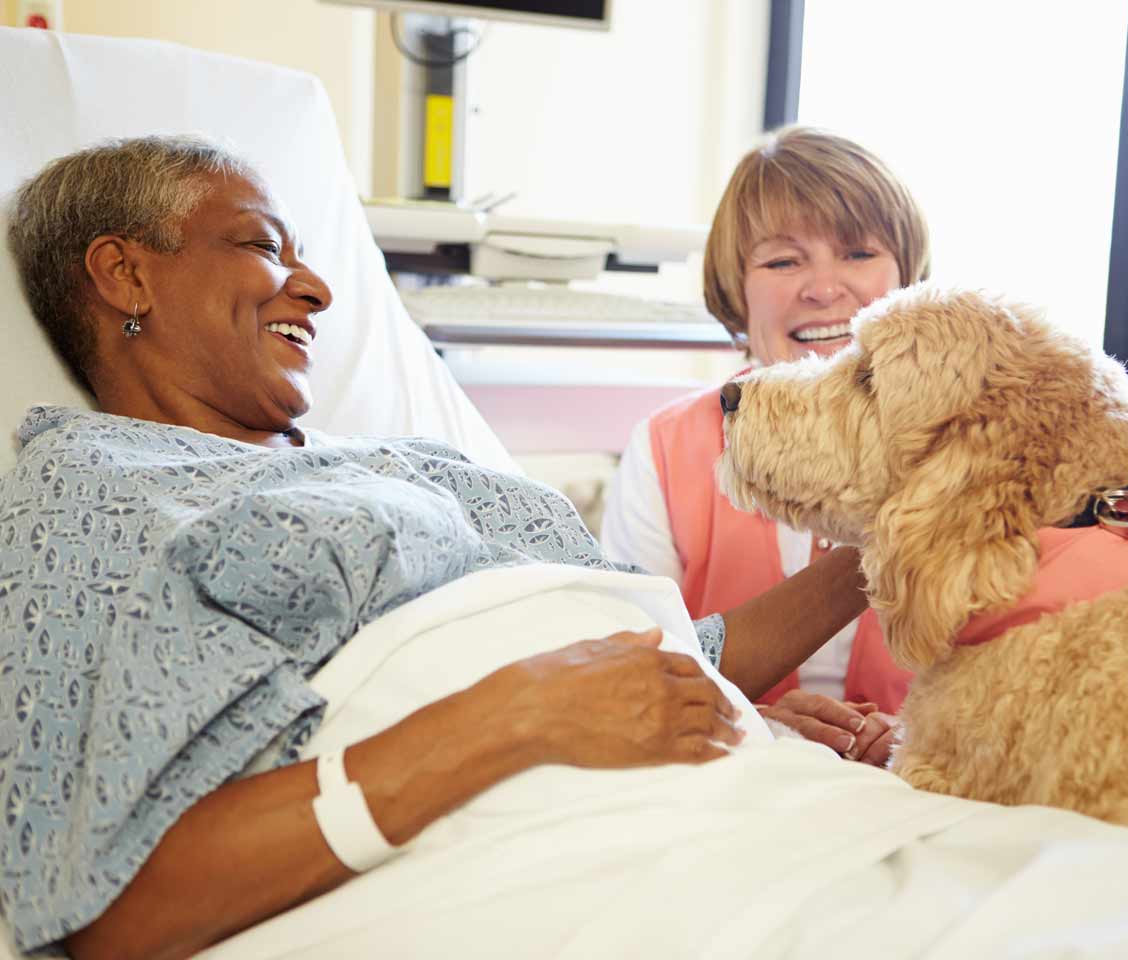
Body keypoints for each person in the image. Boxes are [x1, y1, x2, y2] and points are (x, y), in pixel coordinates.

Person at [0, 136, 896, 960]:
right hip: (565, 860)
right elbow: (107, 912)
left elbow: (679, 652)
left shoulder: (411, 461)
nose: (315, 288)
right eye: (263, 246)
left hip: (736, 804)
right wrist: (516, 715)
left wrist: (911, 528)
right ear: (125, 274)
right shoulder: (94, 490)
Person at [602, 126, 924, 736]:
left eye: (859, 253)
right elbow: (633, 671)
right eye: (783, 260)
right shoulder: (667, 449)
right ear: (735, 287)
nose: (826, 289)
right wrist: (764, 725)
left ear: (906, 277)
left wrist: (908, 735)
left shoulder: (971, 438)